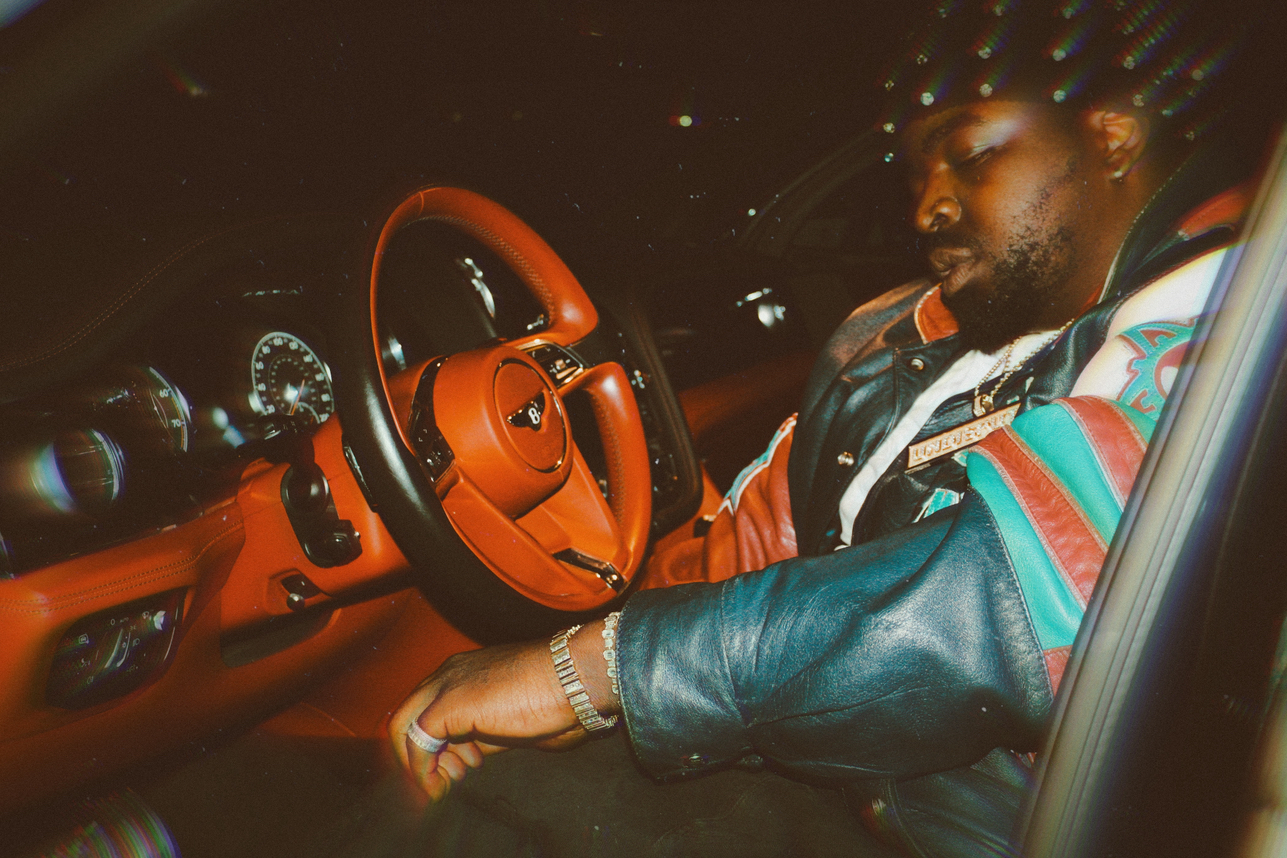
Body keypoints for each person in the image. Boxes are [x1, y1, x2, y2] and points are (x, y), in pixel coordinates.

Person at [383, 2, 1263, 854]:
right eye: (916, 175)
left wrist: (597, 669)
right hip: (837, 787)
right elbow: (755, 545)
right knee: (476, 803)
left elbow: (1018, 591)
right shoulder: (895, 337)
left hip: (996, 828)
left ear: (1112, 136)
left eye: (968, 155)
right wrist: (583, 650)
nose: (927, 207)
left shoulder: (1239, 325)